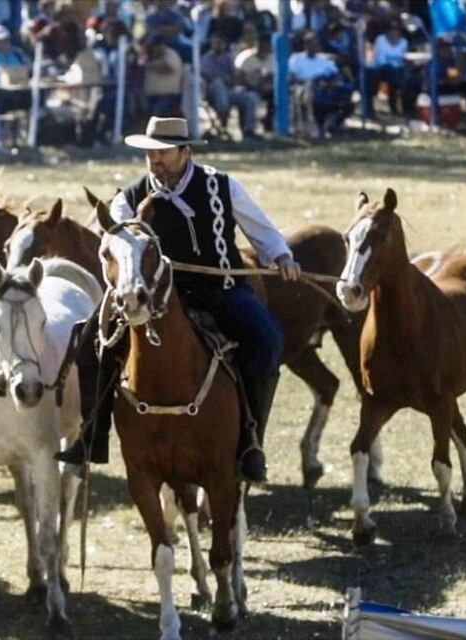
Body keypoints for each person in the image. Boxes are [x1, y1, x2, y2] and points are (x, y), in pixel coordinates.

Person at [54, 116, 301, 483]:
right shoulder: (130, 197)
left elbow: (261, 228)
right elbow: (114, 238)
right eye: (150, 153)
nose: (155, 160)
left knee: (268, 341)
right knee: (90, 343)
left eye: (163, 152)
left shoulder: (222, 186)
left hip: (222, 290)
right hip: (158, 296)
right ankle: (93, 437)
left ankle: (250, 444)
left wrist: (280, 256)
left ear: (185, 152)